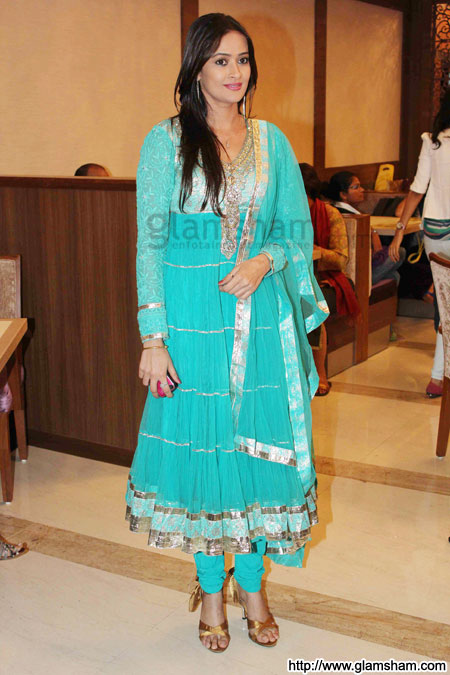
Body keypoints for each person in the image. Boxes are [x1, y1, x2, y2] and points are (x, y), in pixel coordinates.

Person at [125, 13, 328, 653]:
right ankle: (212, 589)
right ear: (195, 68)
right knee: (208, 455)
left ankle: (253, 585)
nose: (235, 72)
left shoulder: (272, 143)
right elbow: (151, 245)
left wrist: (265, 260)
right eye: (220, 60)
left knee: (256, 458)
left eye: (242, 60)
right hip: (191, 325)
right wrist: (153, 337)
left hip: (258, 321)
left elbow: (295, 230)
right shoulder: (166, 143)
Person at [389, 88, 450, 398]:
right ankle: (440, 375)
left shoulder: (432, 141)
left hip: (436, 233)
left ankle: (438, 378)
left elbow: (417, 189)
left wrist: (400, 231)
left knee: (445, 304)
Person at [299, 164, 359, 396]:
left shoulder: (329, 214)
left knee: (310, 303)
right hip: (296, 280)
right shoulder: (284, 215)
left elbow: (341, 259)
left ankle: (320, 373)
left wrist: (316, 250)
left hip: (329, 281)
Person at [323, 171, 406, 285]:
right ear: (343, 195)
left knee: (394, 275)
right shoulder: (349, 216)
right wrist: (373, 233)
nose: (362, 190)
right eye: (356, 187)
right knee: (399, 252)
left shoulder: (335, 210)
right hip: (356, 268)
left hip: (360, 263)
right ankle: (364, 283)